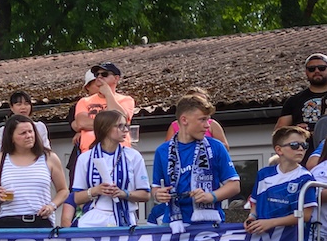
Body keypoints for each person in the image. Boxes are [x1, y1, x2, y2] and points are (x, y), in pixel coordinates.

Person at [149, 93, 239, 226]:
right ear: (184, 120)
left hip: (208, 224)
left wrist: (211, 196)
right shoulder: (162, 151)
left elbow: (234, 185)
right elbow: (156, 188)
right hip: (174, 224)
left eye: (208, 120)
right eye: (202, 120)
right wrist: (158, 195)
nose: (207, 126)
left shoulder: (216, 146)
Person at [70, 109, 151, 228]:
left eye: (126, 126)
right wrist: (96, 190)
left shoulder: (133, 156)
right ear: (105, 128)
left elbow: (145, 195)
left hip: (125, 218)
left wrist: (124, 193)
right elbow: (76, 198)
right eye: (120, 126)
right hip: (94, 219)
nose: (125, 130)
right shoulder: (85, 158)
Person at [0, 115, 70, 229]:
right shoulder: (1, 159)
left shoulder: (49, 157)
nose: (29, 136)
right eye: (23, 133)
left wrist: (52, 206)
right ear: (11, 137)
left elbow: (63, 190)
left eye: (31, 131)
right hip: (8, 220)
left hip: (40, 219)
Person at [72, 63, 136, 153]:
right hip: (90, 151)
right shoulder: (84, 101)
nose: (99, 77)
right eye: (97, 74)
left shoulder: (126, 100)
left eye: (104, 74)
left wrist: (108, 94)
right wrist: (111, 124)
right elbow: (82, 123)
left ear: (116, 78)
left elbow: (121, 119)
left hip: (120, 150)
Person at [276, 53, 327, 131]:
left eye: (321, 68)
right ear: (306, 72)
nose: (317, 71)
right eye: (311, 69)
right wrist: (296, 130)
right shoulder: (293, 101)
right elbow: (279, 131)